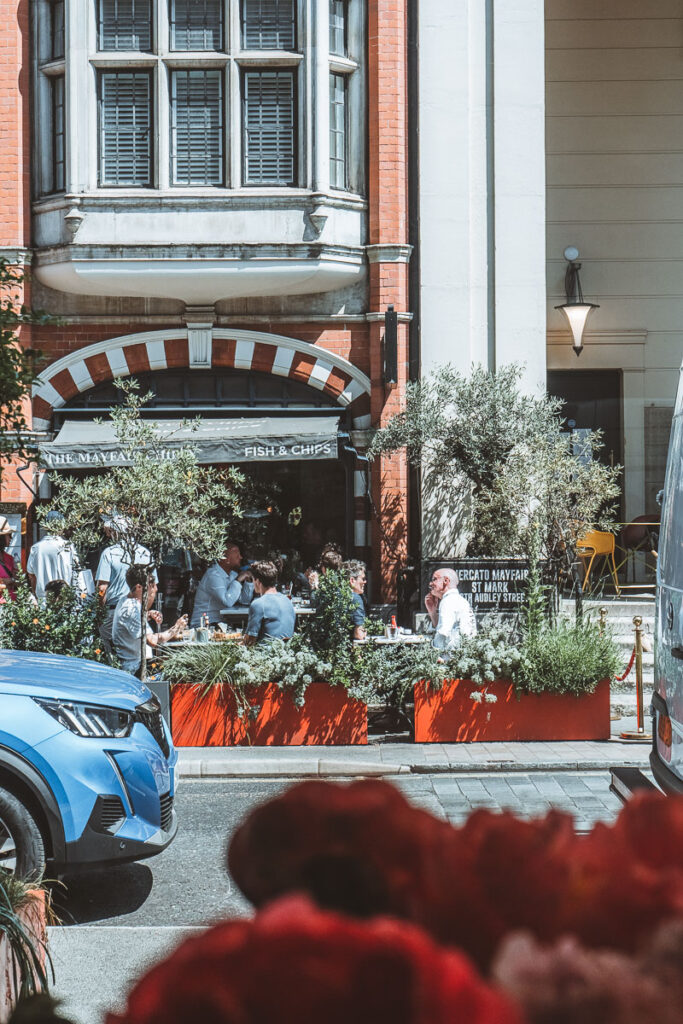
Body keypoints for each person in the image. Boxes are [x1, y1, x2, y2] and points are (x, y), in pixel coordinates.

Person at [113, 565, 187, 677]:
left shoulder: (126, 601)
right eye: (152, 585)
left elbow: (131, 623)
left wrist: (147, 614)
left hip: (137, 665)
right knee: (182, 672)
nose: (156, 589)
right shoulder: (132, 609)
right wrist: (176, 628)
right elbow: (152, 641)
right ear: (139, 587)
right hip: (137, 669)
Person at [96, 516, 157, 650]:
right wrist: (145, 610)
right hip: (138, 609)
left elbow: (102, 588)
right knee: (138, 649)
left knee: (112, 652)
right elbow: (153, 587)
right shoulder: (145, 552)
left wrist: (99, 614)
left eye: (109, 532)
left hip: (113, 610)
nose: (108, 536)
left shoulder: (109, 553)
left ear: (116, 532)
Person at [190, 542, 253, 627]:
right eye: (237, 556)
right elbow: (227, 601)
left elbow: (244, 601)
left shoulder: (232, 575)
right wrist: (238, 580)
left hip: (220, 623)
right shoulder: (213, 575)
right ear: (226, 559)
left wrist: (249, 582)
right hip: (204, 625)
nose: (241, 557)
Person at [27, 511, 82, 601]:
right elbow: (77, 573)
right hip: (65, 598)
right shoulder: (68, 546)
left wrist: (35, 595)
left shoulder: (36, 548)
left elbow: (31, 575)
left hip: (43, 598)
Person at [425, 568, 476, 656]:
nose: (430, 583)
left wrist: (433, 653)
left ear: (446, 581)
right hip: (464, 655)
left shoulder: (448, 601)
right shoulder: (459, 600)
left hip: (451, 659)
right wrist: (432, 612)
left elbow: (443, 634)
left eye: (434, 579)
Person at [244, 560, 296, 646]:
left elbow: (249, 641)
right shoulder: (287, 601)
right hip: (286, 653)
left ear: (257, 581)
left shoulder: (258, 604)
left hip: (265, 655)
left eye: (252, 580)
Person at [344, 559, 368, 641]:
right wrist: (365, 632)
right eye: (363, 579)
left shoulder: (337, 595)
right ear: (352, 580)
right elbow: (359, 635)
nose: (365, 582)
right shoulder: (356, 598)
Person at [0, 516, 17, 602]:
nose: (11, 538)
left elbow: (19, 579)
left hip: (12, 605)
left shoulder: (9, 558)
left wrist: (11, 581)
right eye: (9, 535)